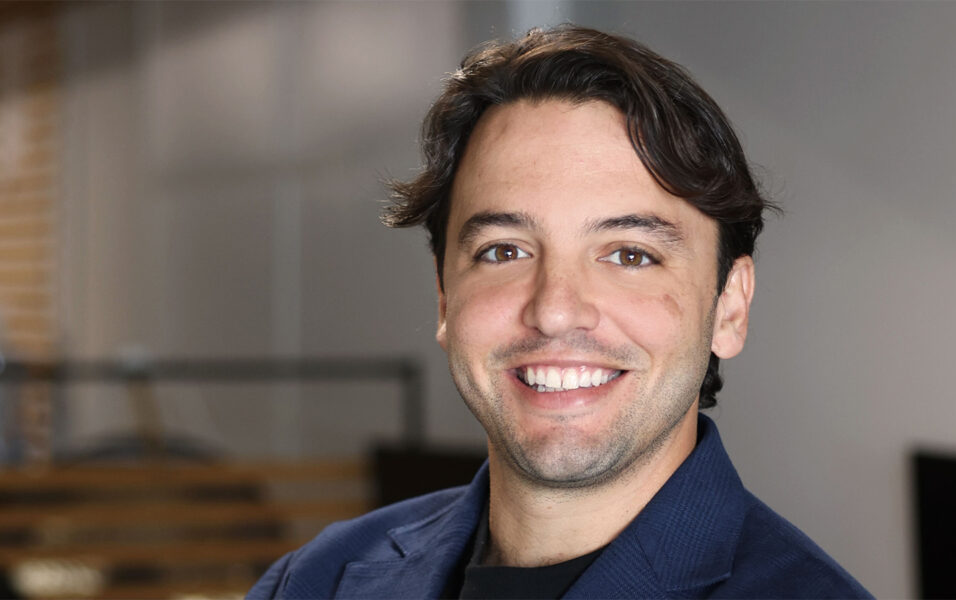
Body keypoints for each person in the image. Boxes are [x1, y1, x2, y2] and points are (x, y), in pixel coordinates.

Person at [249, 25, 871, 599]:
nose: (554, 311)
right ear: (444, 297)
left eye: (629, 255)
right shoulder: (313, 581)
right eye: (504, 251)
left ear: (729, 307)